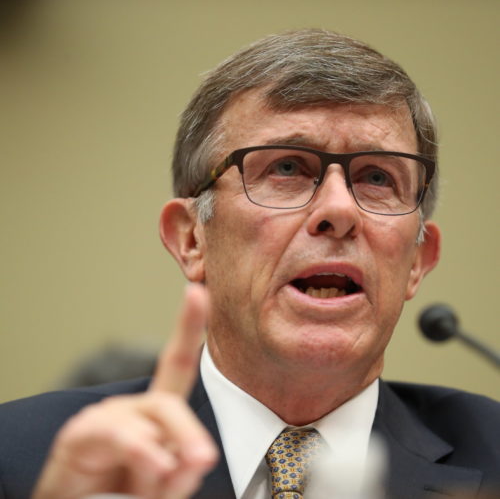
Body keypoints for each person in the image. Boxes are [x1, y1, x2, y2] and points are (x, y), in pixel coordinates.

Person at [0, 29, 499, 499]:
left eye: (376, 177)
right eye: (286, 167)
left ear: (417, 260)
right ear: (191, 239)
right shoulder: (26, 462)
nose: (339, 211)